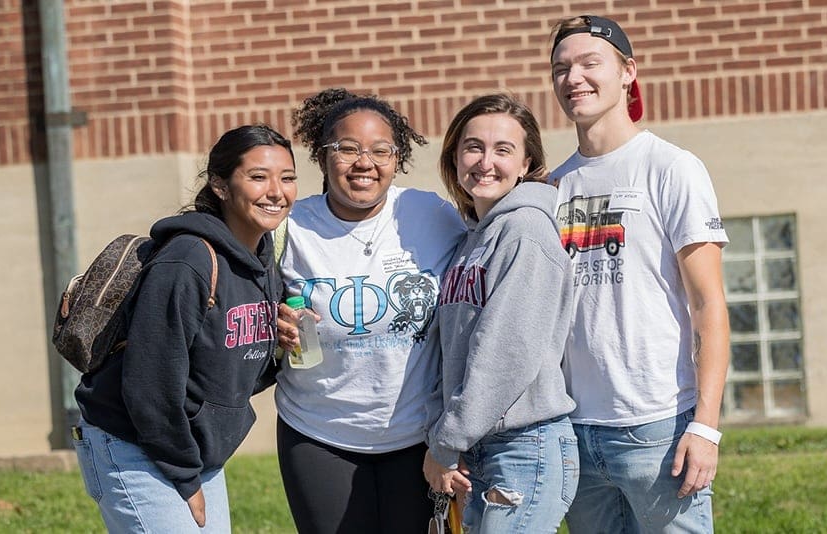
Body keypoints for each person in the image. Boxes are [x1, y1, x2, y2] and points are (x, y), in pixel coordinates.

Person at [548, 15, 732, 533]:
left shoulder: (670, 168)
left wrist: (706, 427)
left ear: (628, 71)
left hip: (657, 427)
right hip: (574, 429)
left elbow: (709, 305)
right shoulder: (552, 185)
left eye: (590, 63)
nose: (574, 78)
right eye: (561, 68)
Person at [73, 124, 297, 533]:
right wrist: (184, 474)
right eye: (258, 177)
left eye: (287, 178)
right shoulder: (187, 261)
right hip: (136, 444)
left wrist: (280, 348)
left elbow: (231, 373)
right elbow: (149, 383)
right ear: (221, 186)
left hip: (193, 450)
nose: (276, 191)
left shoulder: (263, 261)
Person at [274, 87, 466, 533]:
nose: (365, 162)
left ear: (397, 157)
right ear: (322, 157)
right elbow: (248, 301)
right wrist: (274, 323)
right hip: (318, 434)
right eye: (348, 148)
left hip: (416, 438)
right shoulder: (290, 226)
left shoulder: (430, 214)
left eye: (381, 150)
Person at [420, 93, 579, 533]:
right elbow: (449, 350)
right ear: (454, 156)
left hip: (524, 447)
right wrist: (449, 440)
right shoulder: (473, 241)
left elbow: (506, 353)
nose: (485, 161)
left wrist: (446, 444)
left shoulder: (525, 231)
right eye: (473, 146)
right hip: (481, 448)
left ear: (526, 164)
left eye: (503, 150)